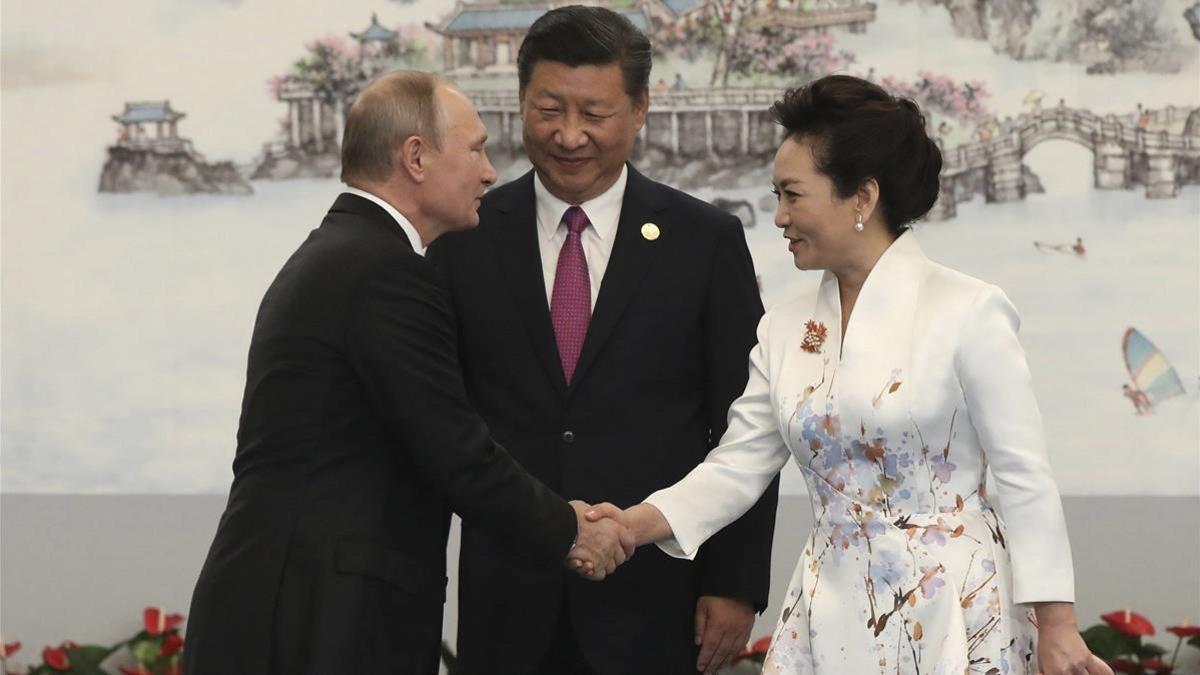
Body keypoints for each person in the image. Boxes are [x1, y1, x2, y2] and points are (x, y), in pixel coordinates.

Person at [591, 75, 1110, 675]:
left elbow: (1024, 476)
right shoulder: (782, 329)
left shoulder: (969, 310)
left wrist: (1059, 625)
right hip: (830, 601)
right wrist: (630, 524)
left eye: (792, 195)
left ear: (861, 197)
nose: (778, 215)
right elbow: (734, 468)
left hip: (955, 606)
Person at [183, 70, 634, 675]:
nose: (489, 172)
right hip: (320, 615)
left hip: (295, 599)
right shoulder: (385, 272)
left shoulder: (343, 253)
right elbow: (454, 450)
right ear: (416, 157)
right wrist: (572, 530)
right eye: (475, 148)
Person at [428, 7, 779, 675]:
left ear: (641, 107)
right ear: (520, 101)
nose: (568, 134)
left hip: (657, 598)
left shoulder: (704, 241)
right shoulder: (464, 239)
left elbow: (745, 427)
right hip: (508, 599)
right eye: (548, 109)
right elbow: (442, 423)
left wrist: (733, 582)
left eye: (594, 112)